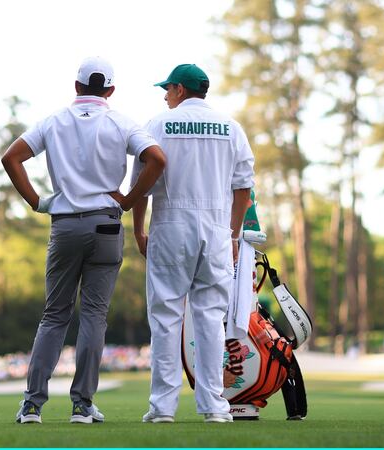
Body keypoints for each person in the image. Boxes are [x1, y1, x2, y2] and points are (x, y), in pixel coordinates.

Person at [1, 56, 166, 424]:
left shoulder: (53, 121)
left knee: (54, 315)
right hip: (107, 224)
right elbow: (156, 158)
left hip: (65, 225)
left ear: (76, 86)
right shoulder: (121, 122)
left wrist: (36, 201)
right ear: (110, 90)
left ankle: (32, 405)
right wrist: (128, 199)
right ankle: (82, 405)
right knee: (94, 315)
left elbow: (11, 158)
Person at [118, 64, 254, 423]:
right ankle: (214, 407)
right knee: (211, 320)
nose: (165, 95)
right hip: (215, 229)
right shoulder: (232, 128)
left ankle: (162, 408)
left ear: (180, 89)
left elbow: (142, 184)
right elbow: (244, 188)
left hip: (170, 226)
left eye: (168, 89)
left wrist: (137, 230)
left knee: (165, 318)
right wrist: (234, 235)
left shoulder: (158, 124)